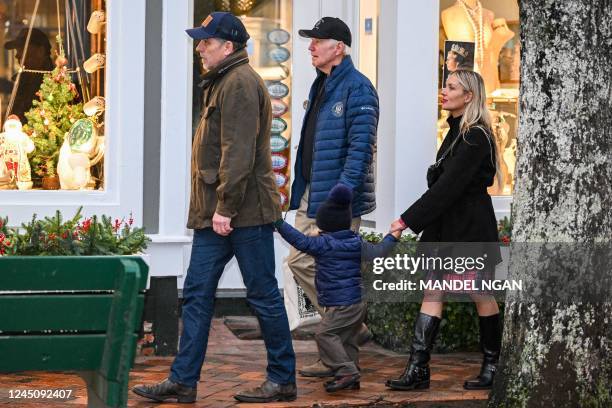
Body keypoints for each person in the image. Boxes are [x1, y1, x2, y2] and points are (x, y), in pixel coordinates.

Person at [132, 12, 296, 404]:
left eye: (206, 41)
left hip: (243, 213)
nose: (200, 47)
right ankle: (183, 381)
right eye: (200, 41)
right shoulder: (223, 81)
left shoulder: (239, 83)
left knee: (262, 295)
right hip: (218, 214)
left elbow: (236, 153)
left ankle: (283, 379)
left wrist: (224, 207)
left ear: (228, 46)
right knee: (198, 294)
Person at [386, 70, 503, 391]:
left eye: (452, 87)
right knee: (433, 292)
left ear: (469, 96)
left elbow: (447, 188)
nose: (444, 91)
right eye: (445, 85)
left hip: (469, 230)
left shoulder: (476, 135)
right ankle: (417, 370)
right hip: (446, 228)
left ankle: (493, 366)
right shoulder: (456, 132)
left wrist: (405, 220)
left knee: (480, 294)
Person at [288, 16, 379, 377]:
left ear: (337, 47)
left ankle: (341, 358)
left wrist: (341, 195)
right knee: (300, 262)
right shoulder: (322, 85)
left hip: (336, 201)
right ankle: (352, 328)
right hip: (313, 192)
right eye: (310, 41)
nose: (310, 46)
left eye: (317, 41)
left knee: (326, 270)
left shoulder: (358, 88)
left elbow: (361, 148)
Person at [275, 184, 399, 392]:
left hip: (341, 305)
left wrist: (278, 222)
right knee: (347, 339)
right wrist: (392, 236)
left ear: (325, 226)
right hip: (358, 303)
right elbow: (379, 252)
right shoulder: (356, 242)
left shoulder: (324, 245)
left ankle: (346, 371)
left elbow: (299, 240)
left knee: (324, 334)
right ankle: (352, 376)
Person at [4, 27, 54, 122]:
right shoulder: (22, 80)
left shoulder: (56, 82)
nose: (17, 55)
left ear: (40, 51)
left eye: (23, 49)